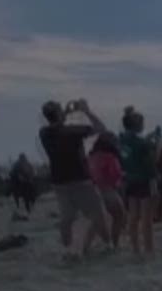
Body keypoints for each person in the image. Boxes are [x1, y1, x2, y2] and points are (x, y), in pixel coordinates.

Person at [39, 99, 110, 259]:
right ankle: (106, 245)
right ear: (59, 113)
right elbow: (101, 129)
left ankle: (68, 249)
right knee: (97, 214)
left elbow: (56, 126)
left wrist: (64, 113)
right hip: (80, 179)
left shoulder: (43, 133)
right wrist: (86, 111)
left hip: (59, 182)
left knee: (67, 218)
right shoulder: (73, 131)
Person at [119, 108, 158, 256]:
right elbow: (150, 164)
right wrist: (157, 146)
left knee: (133, 216)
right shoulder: (141, 143)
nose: (143, 124)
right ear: (137, 124)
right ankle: (149, 248)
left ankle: (135, 248)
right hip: (143, 180)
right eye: (142, 122)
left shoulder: (122, 140)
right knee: (146, 218)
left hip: (129, 179)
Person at [87, 131, 126, 250]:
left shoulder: (91, 157)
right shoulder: (110, 157)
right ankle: (114, 244)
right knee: (119, 216)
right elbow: (115, 175)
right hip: (108, 190)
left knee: (96, 221)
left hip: (92, 191)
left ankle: (85, 246)